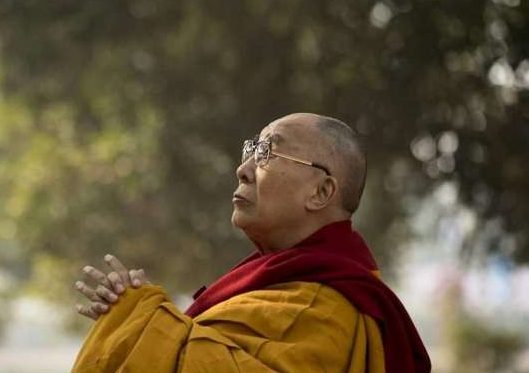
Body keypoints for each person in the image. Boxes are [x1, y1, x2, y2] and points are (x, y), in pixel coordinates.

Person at [72, 113, 431, 372]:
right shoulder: (281, 287)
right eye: (251, 150)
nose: (243, 169)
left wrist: (141, 321)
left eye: (267, 155)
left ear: (321, 192)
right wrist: (135, 316)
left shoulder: (323, 308)